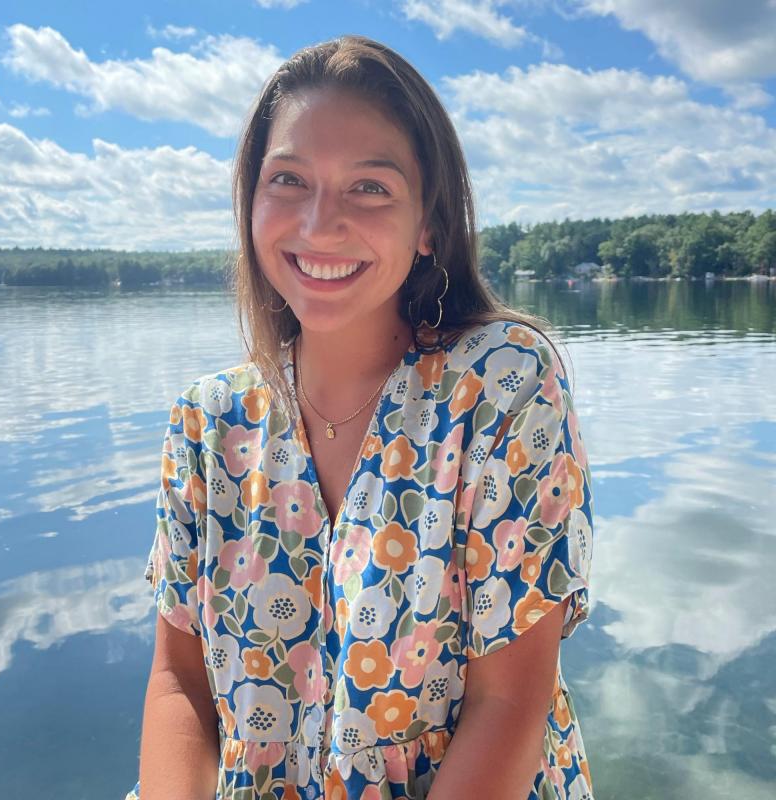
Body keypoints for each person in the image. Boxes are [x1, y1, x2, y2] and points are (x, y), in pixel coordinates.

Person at [126, 35, 594, 800]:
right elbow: (178, 682)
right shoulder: (206, 424)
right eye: (289, 180)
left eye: (369, 188)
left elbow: (510, 700)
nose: (320, 223)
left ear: (428, 225)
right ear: (251, 203)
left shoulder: (500, 388)